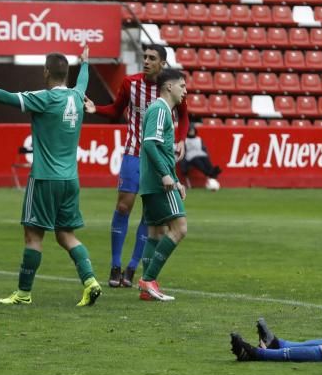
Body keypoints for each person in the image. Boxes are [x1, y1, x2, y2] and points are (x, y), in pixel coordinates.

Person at [0, 46, 102, 307]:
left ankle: (23, 293)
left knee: (33, 237)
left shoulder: (44, 98)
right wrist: (85, 63)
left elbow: (6, 97)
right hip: (70, 180)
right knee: (66, 236)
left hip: (44, 178)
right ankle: (90, 282)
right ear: (67, 74)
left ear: (45, 72)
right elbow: (82, 81)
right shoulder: (77, 96)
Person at [83, 44, 189, 289]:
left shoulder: (172, 88)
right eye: (145, 57)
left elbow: (184, 115)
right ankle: (116, 265)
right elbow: (116, 111)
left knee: (150, 215)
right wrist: (95, 109)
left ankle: (133, 268)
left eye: (152, 58)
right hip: (134, 151)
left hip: (158, 158)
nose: (146, 61)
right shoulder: (131, 83)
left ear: (163, 63)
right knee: (123, 206)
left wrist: (182, 138)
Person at [136, 68, 189, 302]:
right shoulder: (160, 109)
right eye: (182, 86)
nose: (185, 91)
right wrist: (166, 176)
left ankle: (147, 289)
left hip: (152, 181)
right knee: (179, 229)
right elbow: (150, 144)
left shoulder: (163, 111)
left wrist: (176, 179)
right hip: (159, 182)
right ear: (169, 86)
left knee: (156, 232)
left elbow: (162, 150)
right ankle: (149, 280)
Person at [179, 124, 222, 189]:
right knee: (198, 162)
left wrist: (205, 154)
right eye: (190, 131)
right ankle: (212, 173)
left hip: (201, 154)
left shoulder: (199, 139)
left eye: (192, 131)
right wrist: (183, 164)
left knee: (206, 160)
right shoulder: (185, 140)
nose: (191, 132)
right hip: (191, 157)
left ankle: (211, 172)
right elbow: (183, 152)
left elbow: (204, 149)